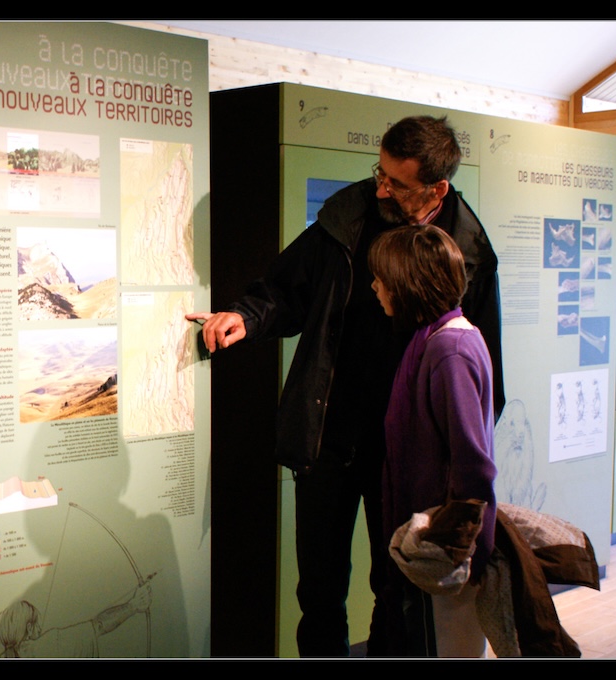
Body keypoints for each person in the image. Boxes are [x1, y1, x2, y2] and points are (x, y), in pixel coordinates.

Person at [186, 115, 503, 657]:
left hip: (403, 451)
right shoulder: (350, 215)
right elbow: (287, 288)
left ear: (436, 190)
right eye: (379, 173)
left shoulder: (469, 252)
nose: (380, 189)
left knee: (396, 588)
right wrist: (246, 316)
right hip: (329, 433)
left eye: (396, 183)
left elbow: (482, 381)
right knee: (319, 590)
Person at [369, 224, 497, 657]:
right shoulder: (440, 339)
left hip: (442, 549)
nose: (375, 287)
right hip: (430, 539)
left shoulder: (449, 349)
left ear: (409, 284)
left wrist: (461, 549)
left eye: (382, 278)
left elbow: (473, 465)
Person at [0, 581, 152, 657]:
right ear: (29, 628)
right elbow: (97, 627)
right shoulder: (50, 645)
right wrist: (133, 606)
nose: (40, 629)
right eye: (36, 625)